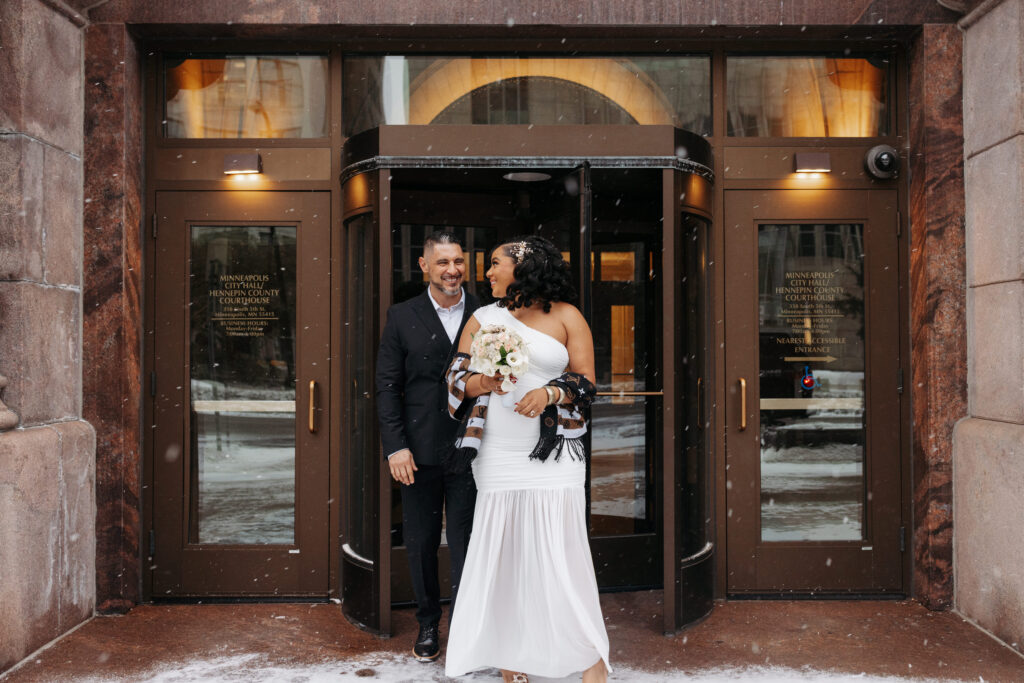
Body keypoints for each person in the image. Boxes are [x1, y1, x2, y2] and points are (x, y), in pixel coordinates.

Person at [443, 236, 611, 683]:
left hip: (555, 455)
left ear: (526, 267)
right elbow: (455, 380)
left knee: (562, 555)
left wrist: (550, 392)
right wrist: (486, 381)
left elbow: (588, 383)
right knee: (506, 555)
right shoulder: (483, 318)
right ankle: (511, 661)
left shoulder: (566, 316)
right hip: (497, 451)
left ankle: (590, 658)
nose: (488, 273)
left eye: (496, 264)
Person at [375, 231, 480, 662]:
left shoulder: (488, 313)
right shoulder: (402, 316)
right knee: (419, 542)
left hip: (473, 447)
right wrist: (395, 447)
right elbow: (387, 387)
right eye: (442, 262)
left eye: (458, 261)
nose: (452, 270)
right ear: (424, 265)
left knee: (466, 541)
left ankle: (466, 626)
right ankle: (427, 623)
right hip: (416, 451)